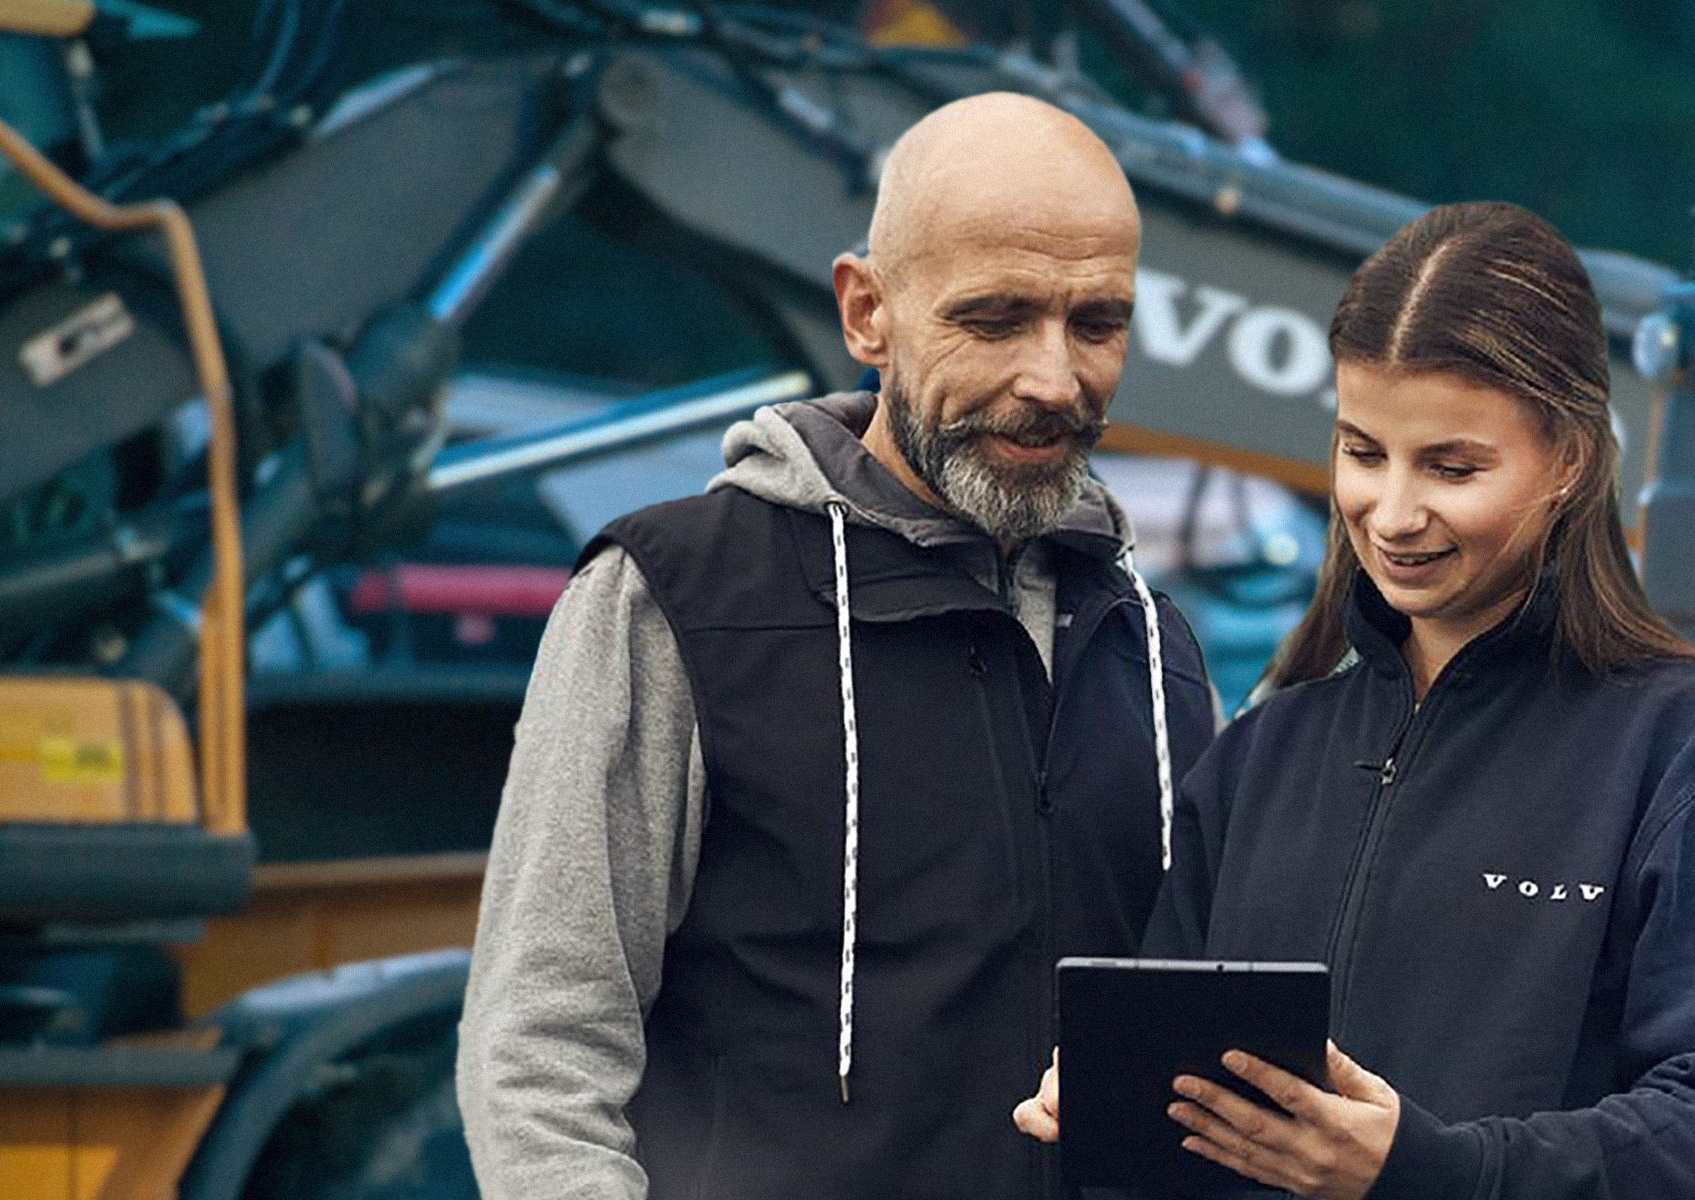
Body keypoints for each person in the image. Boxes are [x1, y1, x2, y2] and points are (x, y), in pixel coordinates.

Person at [458, 93, 1217, 1200]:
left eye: (1095, 323)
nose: (1053, 379)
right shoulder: (674, 599)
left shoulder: (1150, 648)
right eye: (996, 318)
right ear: (866, 313)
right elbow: (540, 1056)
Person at [1016, 202, 1695, 1200]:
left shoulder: (1689, 755)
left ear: (1567, 459)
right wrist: (1115, 1099)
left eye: (1450, 466)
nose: (1391, 514)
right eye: (1362, 452)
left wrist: (1424, 1171)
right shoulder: (1262, 756)